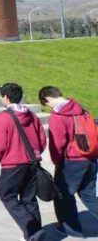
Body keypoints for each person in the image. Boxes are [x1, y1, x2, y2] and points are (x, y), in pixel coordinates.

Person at [39, 86, 98, 237]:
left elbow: (57, 144)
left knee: (62, 195)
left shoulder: (58, 116)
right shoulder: (81, 108)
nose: (49, 107)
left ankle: (71, 229)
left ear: (48, 99)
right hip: (91, 158)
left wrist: (57, 162)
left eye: (46, 104)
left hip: (72, 162)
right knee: (88, 195)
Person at [0, 83, 47, 241]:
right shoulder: (32, 116)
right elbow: (42, 140)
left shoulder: (3, 118)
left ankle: (33, 230)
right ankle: (34, 234)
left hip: (12, 165)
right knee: (29, 198)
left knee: (7, 196)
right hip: (32, 163)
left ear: (6, 98)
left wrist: (0, 158)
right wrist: (36, 153)